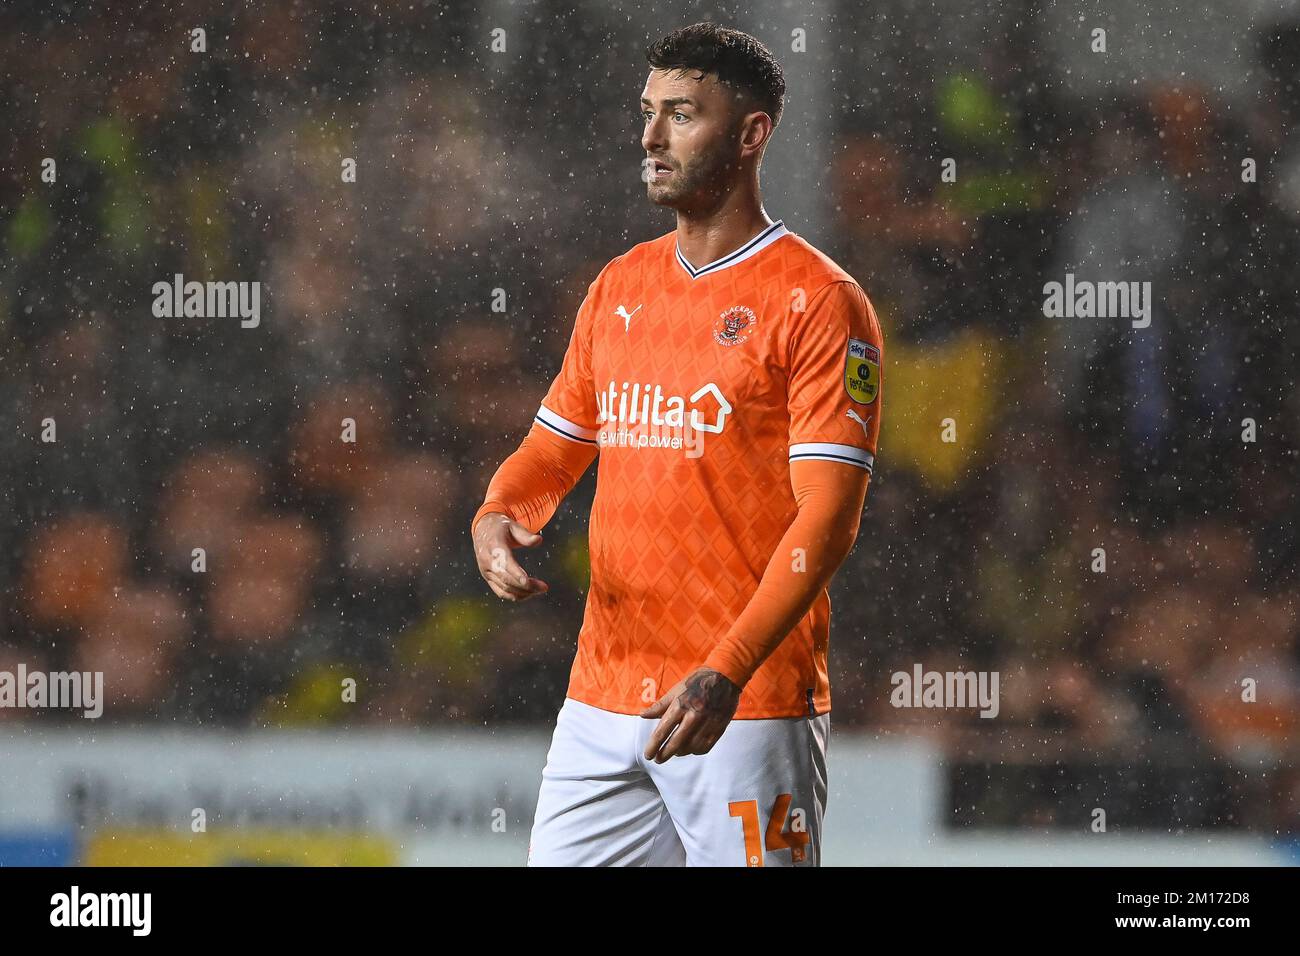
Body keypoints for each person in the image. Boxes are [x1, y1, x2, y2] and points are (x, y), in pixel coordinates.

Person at [469, 22, 884, 866]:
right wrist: (499, 512)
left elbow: (829, 520)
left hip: (747, 703)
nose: (651, 137)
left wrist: (727, 667)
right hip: (603, 693)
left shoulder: (819, 302)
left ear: (751, 133)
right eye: (648, 112)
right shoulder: (620, 286)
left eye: (682, 115)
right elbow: (553, 451)